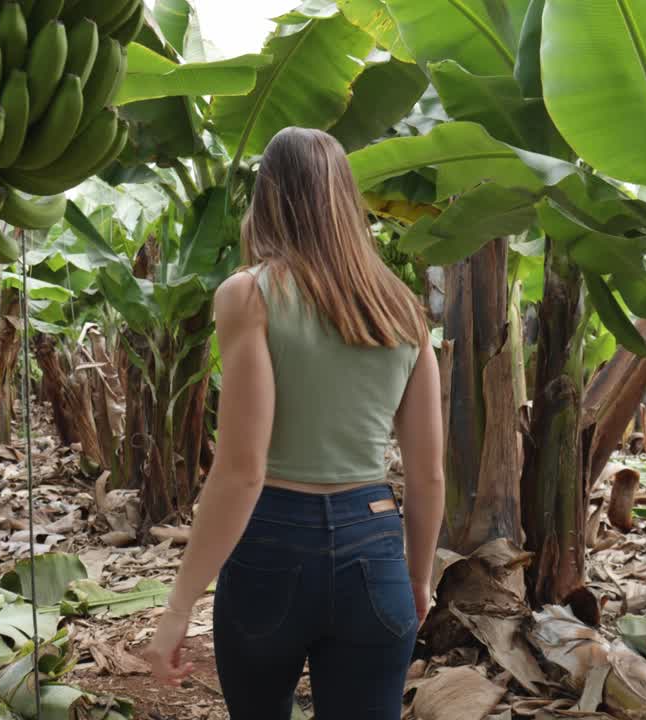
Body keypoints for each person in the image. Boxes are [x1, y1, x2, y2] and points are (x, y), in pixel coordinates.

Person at [143, 126, 445, 719]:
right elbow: (429, 474)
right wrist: (417, 578)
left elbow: (241, 470)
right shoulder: (400, 309)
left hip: (270, 546)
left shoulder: (248, 295)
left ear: (269, 198)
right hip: (375, 547)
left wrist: (178, 607)